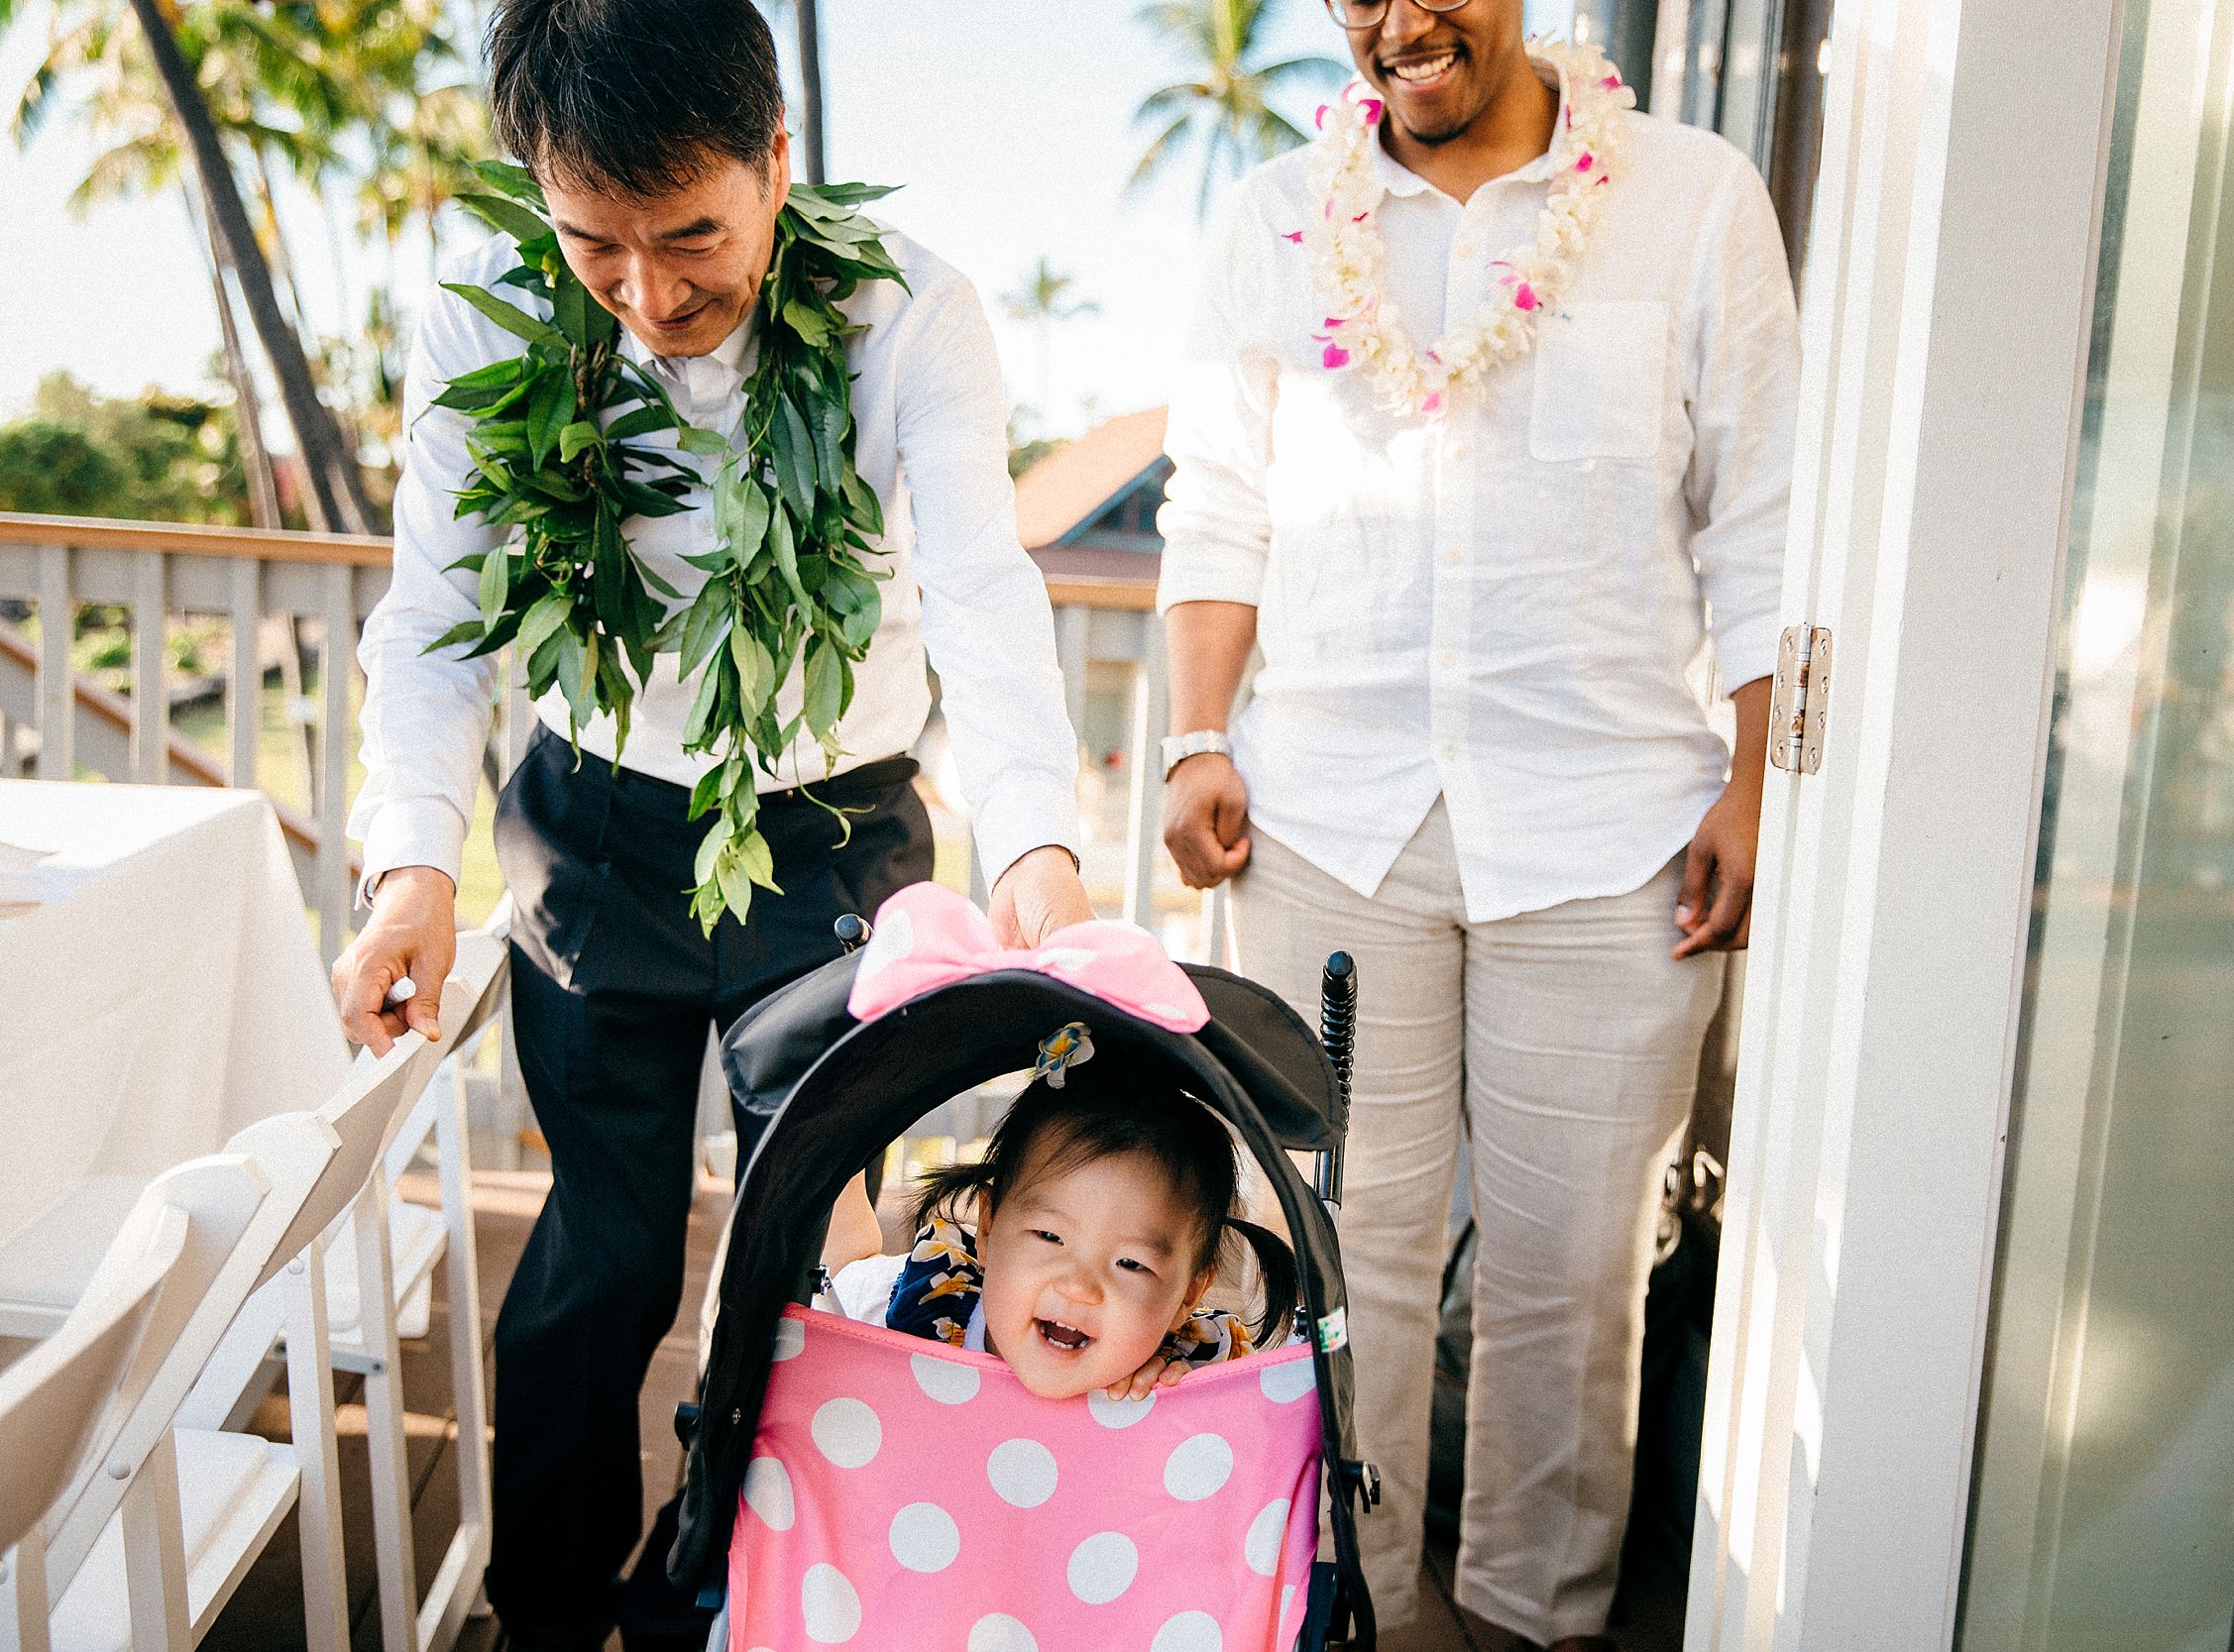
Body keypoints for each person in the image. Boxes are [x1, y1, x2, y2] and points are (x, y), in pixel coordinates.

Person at [331, 3, 1092, 1648]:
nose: (655, 299)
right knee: (597, 1257)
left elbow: (977, 590)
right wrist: (409, 863)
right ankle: (543, 1614)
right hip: (594, 833)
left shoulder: (912, 315)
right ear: (538, 187)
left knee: (792, 1264)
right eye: (598, 245)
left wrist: (1035, 848)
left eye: (695, 239)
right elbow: (439, 612)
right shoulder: (482, 322)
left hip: (834, 842)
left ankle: (728, 1602)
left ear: (776, 163)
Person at [1154, 0, 1800, 1645]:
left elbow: (1764, 513)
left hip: (1610, 825)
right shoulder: (1275, 223)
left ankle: (1536, 1618)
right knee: (1332, 1249)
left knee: (1568, 1282)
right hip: (1324, 819)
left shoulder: (1697, 195)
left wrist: (1747, 773)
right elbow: (1220, 495)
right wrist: (1195, 736)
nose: (1397, 18)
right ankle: (1339, 1610)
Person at [821, 1063, 1299, 1401]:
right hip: (878, 1295)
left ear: (1187, 1295)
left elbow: (1252, 1420)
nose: (1079, 1287)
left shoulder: (1191, 1369)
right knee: (840, 1276)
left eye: (1130, 1263)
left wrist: (1186, 1394)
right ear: (987, 1228)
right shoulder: (921, 1311)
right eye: (1050, 1236)